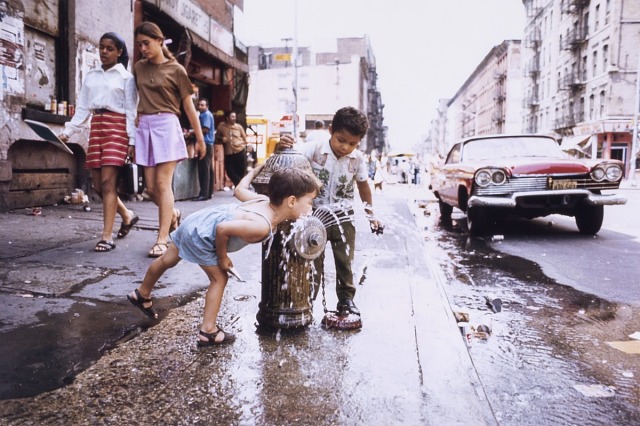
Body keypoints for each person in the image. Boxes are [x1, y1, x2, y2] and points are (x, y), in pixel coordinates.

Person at [126, 165, 321, 346]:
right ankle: (208, 330)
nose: (311, 208)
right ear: (292, 201)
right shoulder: (262, 225)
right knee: (219, 278)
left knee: (167, 260)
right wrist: (222, 258)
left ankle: (142, 293)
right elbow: (222, 229)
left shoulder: (262, 200)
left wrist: (253, 171)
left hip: (197, 222)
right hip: (203, 235)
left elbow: (238, 190)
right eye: (310, 202)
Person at [279, 106, 383, 317]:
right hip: (313, 215)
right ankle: (307, 299)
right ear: (330, 131)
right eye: (341, 140)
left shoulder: (358, 159)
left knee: (345, 259)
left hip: (343, 217)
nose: (345, 147)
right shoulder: (312, 149)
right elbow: (288, 159)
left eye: (352, 143)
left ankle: (346, 299)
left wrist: (372, 215)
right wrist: (282, 145)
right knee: (312, 259)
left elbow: (364, 187)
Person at [59, 32, 138, 252]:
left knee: (107, 183)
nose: (104, 52)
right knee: (97, 186)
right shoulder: (91, 76)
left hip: (117, 128)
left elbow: (131, 111)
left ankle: (106, 237)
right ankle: (127, 215)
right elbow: (83, 107)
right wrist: (69, 132)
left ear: (119, 52)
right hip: (97, 127)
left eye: (109, 48)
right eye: (101, 47)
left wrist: (132, 140)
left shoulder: (126, 78)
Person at [133, 22, 205, 258]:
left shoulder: (176, 70)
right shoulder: (139, 68)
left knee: (163, 184)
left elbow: (189, 107)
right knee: (150, 188)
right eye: (139, 44)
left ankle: (163, 238)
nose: (143, 48)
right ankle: (172, 214)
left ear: (160, 41)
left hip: (167, 125)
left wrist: (200, 138)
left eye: (147, 43)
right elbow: (132, 98)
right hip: (145, 127)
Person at [215, 110, 247, 188]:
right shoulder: (221, 126)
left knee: (240, 170)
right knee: (229, 170)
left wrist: (242, 144)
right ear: (227, 118)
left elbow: (244, 137)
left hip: (239, 150)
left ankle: (238, 188)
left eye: (235, 117)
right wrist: (222, 138)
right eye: (232, 117)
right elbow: (216, 137)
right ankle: (240, 184)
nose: (234, 118)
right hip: (228, 152)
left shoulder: (238, 127)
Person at [195, 98, 215, 201]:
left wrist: (193, 133)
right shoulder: (205, 114)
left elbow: (205, 130)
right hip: (209, 144)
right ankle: (208, 192)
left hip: (206, 143)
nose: (200, 107)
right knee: (208, 169)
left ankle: (204, 193)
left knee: (204, 169)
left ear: (207, 106)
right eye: (199, 105)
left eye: (202, 105)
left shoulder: (206, 115)